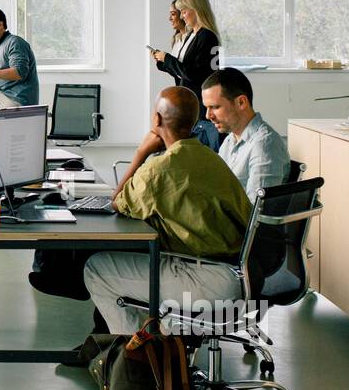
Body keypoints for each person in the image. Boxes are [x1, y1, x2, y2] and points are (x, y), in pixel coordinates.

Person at [84, 86, 252, 335]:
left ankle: (136, 359)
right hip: (239, 274)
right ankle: (154, 344)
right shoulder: (211, 157)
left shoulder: (158, 170)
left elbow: (117, 201)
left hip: (203, 280)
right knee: (144, 263)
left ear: (157, 119)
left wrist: (141, 153)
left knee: (96, 269)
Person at [201, 68, 291, 200]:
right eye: (206, 108)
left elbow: (255, 210)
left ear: (241, 102)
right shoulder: (230, 140)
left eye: (215, 107)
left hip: (238, 220)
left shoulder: (264, 144)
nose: (208, 115)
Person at [149, 0, 222, 150]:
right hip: (192, 102)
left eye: (184, 11)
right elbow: (185, 70)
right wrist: (164, 62)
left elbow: (193, 73)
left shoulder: (207, 37)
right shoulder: (194, 36)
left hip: (200, 106)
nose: (182, 16)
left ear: (196, 10)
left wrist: (167, 59)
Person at [154, 0, 190, 78]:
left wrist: (166, 58)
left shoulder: (192, 39)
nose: (169, 18)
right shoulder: (176, 39)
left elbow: (187, 72)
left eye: (173, 14)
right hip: (180, 88)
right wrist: (161, 60)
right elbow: (177, 71)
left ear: (182, 15)